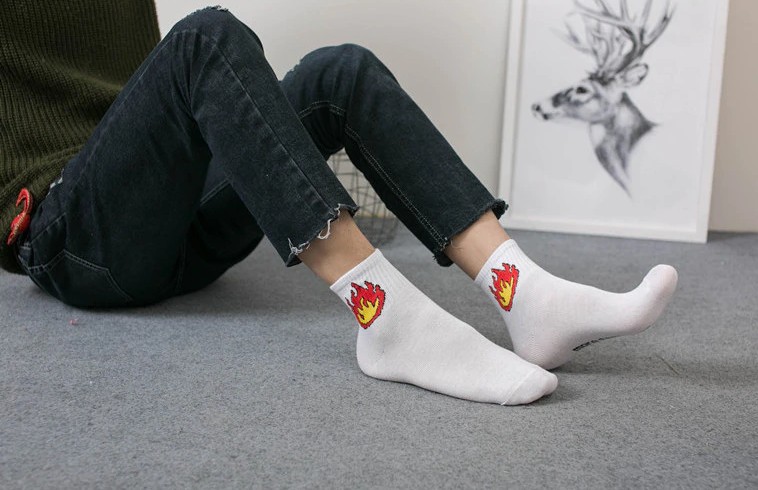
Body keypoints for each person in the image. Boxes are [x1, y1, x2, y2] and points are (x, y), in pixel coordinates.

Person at [0, 2, 678, 406]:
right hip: (73, 238)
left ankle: (524, 293)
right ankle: (388, 322)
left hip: (171, 215)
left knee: (339, 72)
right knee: (205, 37)